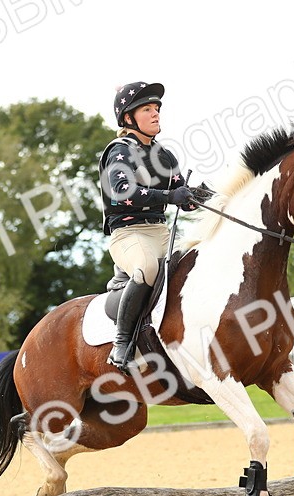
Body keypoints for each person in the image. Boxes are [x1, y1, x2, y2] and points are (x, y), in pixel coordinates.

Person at [98, 81, 199, 374]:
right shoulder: (118, 151)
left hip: (161, 232)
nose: (156, 114)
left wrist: (204, 196)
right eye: (147, 109)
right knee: (147, 268)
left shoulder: (164, 155)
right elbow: (122, 191)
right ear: (128, 118)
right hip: (128, 234)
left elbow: (184, 196)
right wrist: (169, 197)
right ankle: (122, 345)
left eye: (156, 108)